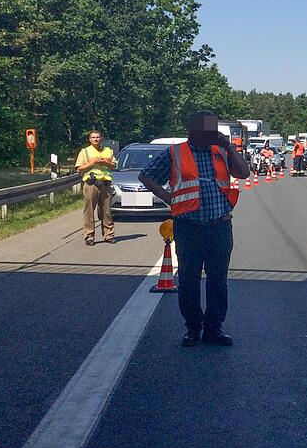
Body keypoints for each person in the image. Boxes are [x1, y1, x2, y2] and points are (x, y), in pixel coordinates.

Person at [139, 111, 250, 347]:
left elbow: (243, 173)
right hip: (189, 228)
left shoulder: (220, 151)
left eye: (214, 130)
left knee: (218, 281)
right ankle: (193, 328)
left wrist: (229, 147)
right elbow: (146, 176)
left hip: (219, 226)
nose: (212, 135)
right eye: (207, 131)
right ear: (194, 132)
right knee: (189, 281)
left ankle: (214, 328)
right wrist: (169, 197)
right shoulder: (176, 152)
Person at [75, 129, 117, 246]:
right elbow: (79, 169)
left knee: (106, 211)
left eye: (97, 137)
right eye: (93, 137)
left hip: (105, 184)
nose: (95, 139)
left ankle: (109, 235)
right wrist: (91, 163)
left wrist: (105, 162)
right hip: (91, 184)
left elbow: (114, 165)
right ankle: (89, 236)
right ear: (89, 139)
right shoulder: (85, 152)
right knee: (89, 211)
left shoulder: (108, 150)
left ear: (101, 138)